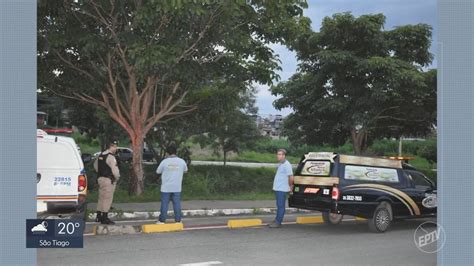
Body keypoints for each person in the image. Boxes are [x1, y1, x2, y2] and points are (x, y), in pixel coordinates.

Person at [156, 145, 188, 224]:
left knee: (164, 204)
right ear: (176, 152)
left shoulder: (164, 162)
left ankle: (162, 220)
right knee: (177, 204)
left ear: (167, 153)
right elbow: (185, 170)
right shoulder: (181, 161)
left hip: (166, 187)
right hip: (177, 187)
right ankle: (178, 220)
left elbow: (158, 171)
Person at [93, 140, 120, 224]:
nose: (116, 148)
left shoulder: (101, 155)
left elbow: (95, 166)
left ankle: (98, 216)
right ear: (111, 147)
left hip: (100, 179)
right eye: (115, 146)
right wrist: (117, 177)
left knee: (101, 197)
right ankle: (105, 218)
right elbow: (115, 171)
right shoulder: (111, 157)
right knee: (107, 199)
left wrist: (100, 173)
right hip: (108, 180)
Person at [268, 149, 294, 228]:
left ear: (284, 156)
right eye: (277, 154)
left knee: (281, 205)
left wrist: (291, 187)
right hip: (278, 188)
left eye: (279, 154)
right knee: (279, 205)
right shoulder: (281, 164)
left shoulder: (287, 164)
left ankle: (278, 222)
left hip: (282, 189)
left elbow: (291, 177)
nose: (278, 156)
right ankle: (276, 220)